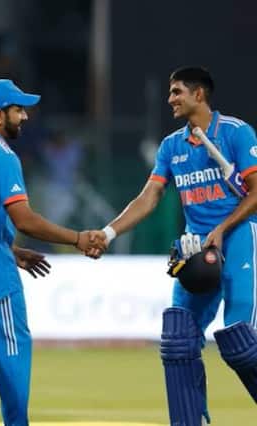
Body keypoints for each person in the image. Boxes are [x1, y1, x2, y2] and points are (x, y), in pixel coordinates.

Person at [87, 66, 257, 425]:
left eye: (177, 91)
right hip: (197, 249)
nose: (170, 99)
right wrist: (109, 233)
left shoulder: (236, 133)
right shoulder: (171, 146)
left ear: (199, 94)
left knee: (241, 343)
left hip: (240, 238)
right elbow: (149, 196)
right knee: (178, 338)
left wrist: (223, 228)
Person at [0, 79, 99, 425]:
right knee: (13, 363)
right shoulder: (2, 154)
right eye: (18, 109)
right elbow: (25, 219)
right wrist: (78, 238)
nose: (25, 116)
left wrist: (11, 250)